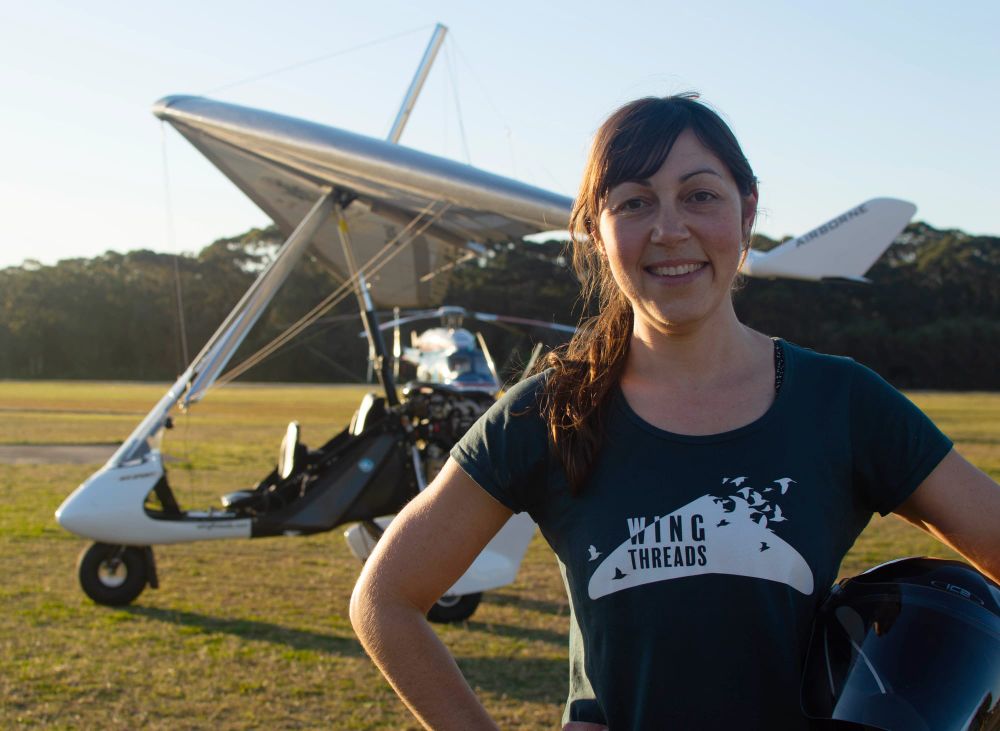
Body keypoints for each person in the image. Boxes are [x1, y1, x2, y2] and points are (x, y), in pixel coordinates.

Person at [349, 93, 1000, 730]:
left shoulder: (842, 402)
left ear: (747, 212)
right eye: (634, 202)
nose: (669, 229)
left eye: (700, 195)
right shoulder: (552, 412)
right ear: (596, 233)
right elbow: (385, 599)